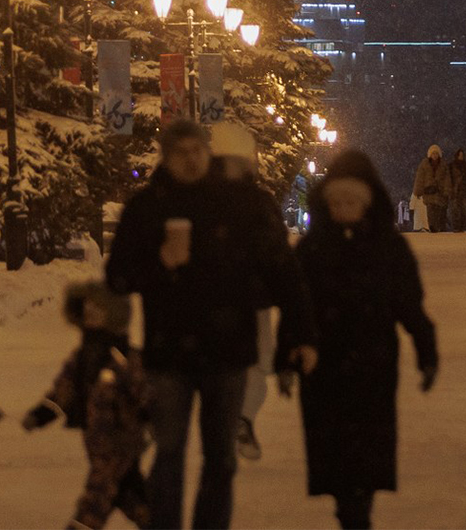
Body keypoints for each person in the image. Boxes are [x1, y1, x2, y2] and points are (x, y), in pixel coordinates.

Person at [109, 117, 318, 530]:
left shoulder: (238, 204)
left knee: (221, 458)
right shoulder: (147, 207)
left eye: (196, 151)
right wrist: (159, 263)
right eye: (179, 153)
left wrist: (303, 333)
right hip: (169, 353)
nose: (190, 160)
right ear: (165, 159)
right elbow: (117, 276)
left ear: (208, 152)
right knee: (169, 454)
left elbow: (282, 272)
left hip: (227, 351)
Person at [294, 150, 439, 529]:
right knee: (335, 449)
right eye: (337, 202)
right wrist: (286, 354)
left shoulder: (388, 249)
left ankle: (358, 509)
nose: (344, 209)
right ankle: (350, 510)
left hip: (373, 364)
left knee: (368, 449)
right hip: (324, 366)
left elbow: (410, 306)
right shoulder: (311, 250)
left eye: (352, 202)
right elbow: (296, 307)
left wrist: (427, 351)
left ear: (367, 203)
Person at [21, 279, 150, 530]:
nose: (90, 313)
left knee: (97, 498)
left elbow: (143, 389)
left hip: (120, 442)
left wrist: (149, 414)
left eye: (98, 310)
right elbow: (64, 388)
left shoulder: (123, 357)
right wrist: (42, 413)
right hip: (95, 441)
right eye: (88, 308)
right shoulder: (82, 356)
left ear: (113, 316)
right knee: (128, 495)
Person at [214, 122, 297, 466]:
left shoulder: (205, 200)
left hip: (235, 301)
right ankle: (239, 420)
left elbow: (280, 259)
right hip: (242, 300)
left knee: (251, 366)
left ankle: (237, 421)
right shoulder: (257, 203)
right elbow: (280, 259)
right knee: (254, 366)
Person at [411, 146, 448, 234]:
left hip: (439, 191)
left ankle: (437, 226)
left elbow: (447, 179)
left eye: (436, 154)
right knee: (431, 210)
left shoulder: (443, 165)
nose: (434, 155)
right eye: (433, 154)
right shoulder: (424, 164)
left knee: (438, 209)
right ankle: (432, 226)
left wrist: (447, 190)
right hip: (428, 191)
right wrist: (418, 191)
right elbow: (419, 178)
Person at [446, 149, 466, 235]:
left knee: (464, 210)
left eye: (462, 155)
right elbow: (448, 179)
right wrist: (450, 189)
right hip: (455, 191)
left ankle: (462, 226)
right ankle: (456, 227)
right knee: (455, 210)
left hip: (464, 192)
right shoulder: (451, 166)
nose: (461, 157)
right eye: (460, 155)